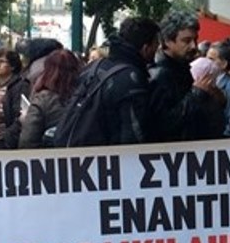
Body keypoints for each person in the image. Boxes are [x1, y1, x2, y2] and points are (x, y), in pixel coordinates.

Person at [62, 17, 160, 147]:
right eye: (156, 45)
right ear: (146, 48)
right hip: (111, 154)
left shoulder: (94, 67)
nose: (158, 49)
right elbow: (134, 134)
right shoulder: (131, 79)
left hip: (79, 149)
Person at [147, 11, 220, 142]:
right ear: (167, 41)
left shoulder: (181, 67)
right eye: (186, 41)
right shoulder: (160, 75)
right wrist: (196, 94)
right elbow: (164, 123)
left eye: (195, 39)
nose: (194, 46)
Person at [18, 49, 82, 148]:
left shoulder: (42, 99)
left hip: (50, 154)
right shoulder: (87, 94)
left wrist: (25, 119)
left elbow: (27, 141)